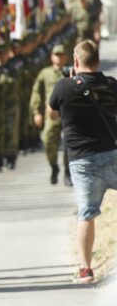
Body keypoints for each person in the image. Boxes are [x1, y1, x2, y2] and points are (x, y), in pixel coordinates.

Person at [49, 40, 117, 284]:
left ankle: (86, 269)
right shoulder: (111, 85)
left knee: (86, 214)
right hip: (112, 153)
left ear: (76, 62)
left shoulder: (64, 86)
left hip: (83, 162)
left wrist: (70, 82)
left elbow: (53, 113)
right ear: (97, 61)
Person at [31, 44, 70, 185]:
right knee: (48, 141)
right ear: (52, 57)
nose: (59, 58)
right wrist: (36, 112)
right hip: (52, 114)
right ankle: (54, 166)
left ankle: (68, 172)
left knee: (69, 143)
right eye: (56, 55)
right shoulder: (45, 73)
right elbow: (36, 92)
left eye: (61, 55)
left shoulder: (71, 72)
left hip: (68, 115)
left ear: (66, 57)